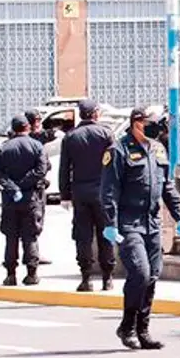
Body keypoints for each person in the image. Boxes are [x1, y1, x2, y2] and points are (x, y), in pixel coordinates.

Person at [101, 107, 180, 350]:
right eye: (149, 123)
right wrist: (109, 223)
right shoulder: (118, 150)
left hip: (152, 224)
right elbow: (108, 191)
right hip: (129, 224)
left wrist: (178, 215)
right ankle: (126, 326)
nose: (153, 127)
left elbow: (166, 185)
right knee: (140, 273)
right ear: (136, 123)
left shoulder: (157, 148)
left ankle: (143, 329)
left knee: (152, 277)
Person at [59, 99, 116, 292]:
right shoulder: (106, 133)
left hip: (80, 192)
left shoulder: (71, 137)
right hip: (104, 192)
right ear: (95, 114)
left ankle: (86, 277)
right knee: (106, 233)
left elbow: (64, 168)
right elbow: (115, 164)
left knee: (83, 236)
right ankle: (107, 277)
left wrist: (64, 194)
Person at [0, 116, 50, 287]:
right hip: (31, 197)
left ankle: (11, 275)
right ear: (27, 127)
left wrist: (13, 187)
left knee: (11, 238)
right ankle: (32, 274)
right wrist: (24, 184)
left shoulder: (4, 148)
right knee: (30, 236)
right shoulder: (36, 146)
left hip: (11, 199)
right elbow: (41, 170)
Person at [25, 108, 55, 266]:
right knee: (34, 222)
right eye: (34, 121)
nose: (38, 124)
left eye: (39, 120)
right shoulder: (33, 139)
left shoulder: (36, 137)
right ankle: (32, 253)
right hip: (33, 187)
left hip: (35, 185)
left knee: (33, 222)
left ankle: (31, 251)